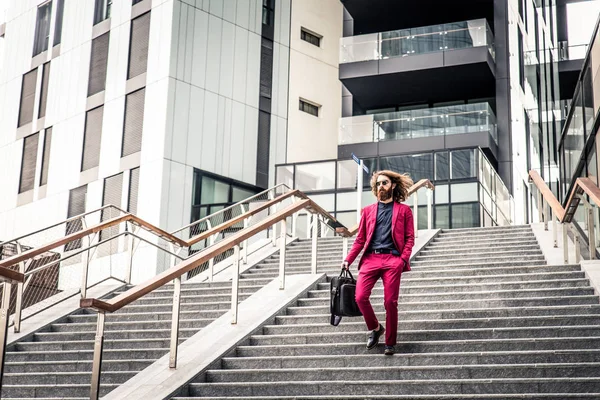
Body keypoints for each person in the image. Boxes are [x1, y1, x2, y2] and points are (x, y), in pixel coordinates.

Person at [342, 170, 415, 355]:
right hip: (370, 259)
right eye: (378, 184)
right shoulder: (368, 211)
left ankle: (390, 343)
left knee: (390, 302)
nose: (381, 186)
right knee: (359, 297)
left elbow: (409, 238)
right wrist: (348, 260)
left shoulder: (404, 211)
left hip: (393, 260)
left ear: (393, 185)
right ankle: (375, 328)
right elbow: (360, 239)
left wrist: (402, 260)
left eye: (384, 183)